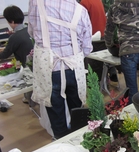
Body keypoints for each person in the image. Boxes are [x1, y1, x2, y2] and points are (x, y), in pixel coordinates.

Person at [28, 0, 93, 139]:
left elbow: (32, 31)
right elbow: (87, 47)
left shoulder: (36, 2)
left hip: (48, 66)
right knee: (76, 109)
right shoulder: (80, 10)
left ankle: (61, 141)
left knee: (55, 110)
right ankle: (78, 140)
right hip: (73, 67)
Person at [104, 0, 139, 103]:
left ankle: (133, 118)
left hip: (127, 51)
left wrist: (109, 45)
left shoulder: (115, 7)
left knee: (132, 91)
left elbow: (109, 30)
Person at [0, 5, 34, 104]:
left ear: (12, 21)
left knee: (17, 71)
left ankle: (29, 98)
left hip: (23, 63)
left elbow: (5, 55)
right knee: (17, 67)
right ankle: (28, 97)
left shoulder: (15, 37)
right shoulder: (28, 28)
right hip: (30, 61)